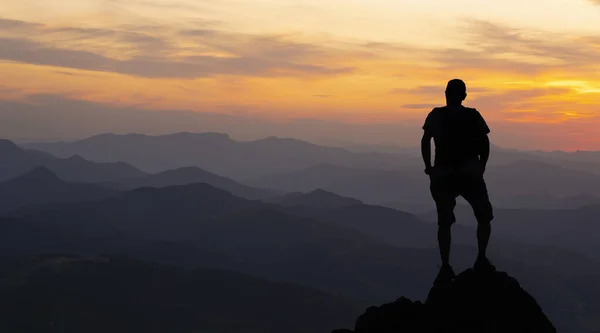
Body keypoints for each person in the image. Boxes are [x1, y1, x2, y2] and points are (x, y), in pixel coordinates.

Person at [421, 79, 495, 285]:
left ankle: (448, 265)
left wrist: (429, 168)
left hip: (450, 174)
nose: (452, 97)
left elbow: (426, 140)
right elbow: (484, 141)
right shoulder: (470, 115)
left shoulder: (438, 115)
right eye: (451, 93)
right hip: (463, 174)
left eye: (453, 93)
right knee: (479, 216)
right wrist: (482, 165)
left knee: (450, 221)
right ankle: (475, 259)